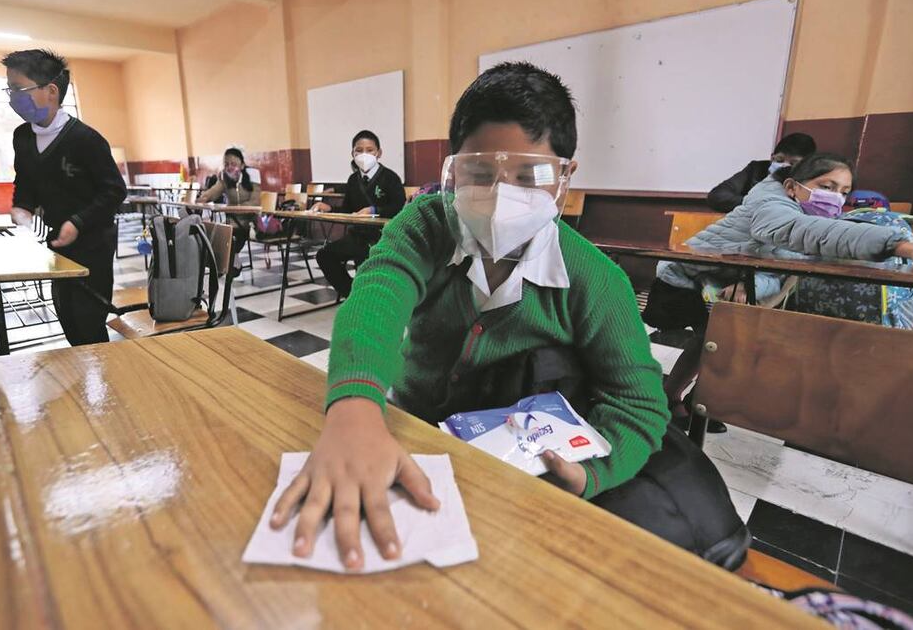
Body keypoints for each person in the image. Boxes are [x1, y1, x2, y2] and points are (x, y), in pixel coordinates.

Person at [271, 63, 671, 571]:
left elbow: (639, 404)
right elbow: (376, 298)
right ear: (453, 169)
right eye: (480, 174)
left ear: (564, 176)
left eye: (530, 177)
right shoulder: (427, 226)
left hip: (517, 475)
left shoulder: (595, 280)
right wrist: (355, 407)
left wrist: (592, 473)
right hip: (411, 435)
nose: (501, 195)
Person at [643, 152, 913, 426]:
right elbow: (790, 234)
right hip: (685, 279)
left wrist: (753, 284)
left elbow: (778, 265)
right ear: (792, 186)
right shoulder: (770, 204)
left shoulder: (808, 212)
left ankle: (677, 398)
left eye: (844, 192)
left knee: (713, 342)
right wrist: (899, 246)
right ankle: (662, 399)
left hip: (725, 282)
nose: (836, 198)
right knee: (712, 342)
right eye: (826, 187)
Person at [4, 48, 126, 346]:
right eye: (9, 89)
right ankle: (85, 382)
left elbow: (114, 190)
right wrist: (21, 209)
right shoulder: (22, 137)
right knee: (67, 316)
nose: (12, 97)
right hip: (56, 244)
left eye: (19, 89)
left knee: (89, 322)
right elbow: (26, 183)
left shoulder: (85, 139)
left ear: (51, 91)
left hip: (92, 244)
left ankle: (103, 385)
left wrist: (78, 222)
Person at [313, 130, 405, 298]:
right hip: (358, 237)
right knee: (324, 256)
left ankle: (368, 297)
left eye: (370, 150)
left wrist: (375, 210)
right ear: (352, 153)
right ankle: (353, 295)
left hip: (382, 238)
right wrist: (330, 209)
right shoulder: (353, 180)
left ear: (379, 153)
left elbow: (399, 207)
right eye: (359, 150)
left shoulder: (390, 178)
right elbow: (349, 210)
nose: (364, 154)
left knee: (365, 261)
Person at [707, 132, 816, 213]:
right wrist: (760, 203)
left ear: (805, 165)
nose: (784, 166)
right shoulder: (757, 169)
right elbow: (718, 195)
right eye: (779, 160)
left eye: (793, 163)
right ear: (772, 157)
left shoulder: (810, 181)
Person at [197, 147, 259, 275]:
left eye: (233, 164)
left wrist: (237, 209)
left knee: (230, 236)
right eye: (226, 164)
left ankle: (232, 263)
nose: (229, 167)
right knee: (214, 232)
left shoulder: (252, 179)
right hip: (231, 222)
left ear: (242, 165)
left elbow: (255, 202)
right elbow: (213, 192)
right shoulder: (225, 179)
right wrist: (201, 199)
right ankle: (230, 263)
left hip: (249, 223)